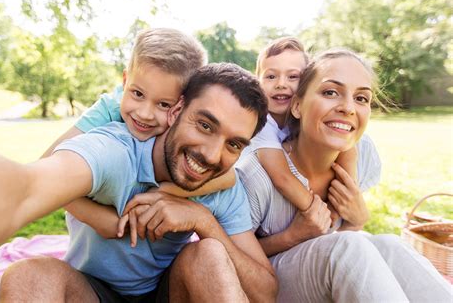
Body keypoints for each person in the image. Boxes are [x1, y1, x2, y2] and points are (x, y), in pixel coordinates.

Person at [0, 63, 278, 302]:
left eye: (234, 144)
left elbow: (265, 292)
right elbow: (29, 186)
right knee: (27, 276)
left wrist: (204, 222)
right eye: (204, 125)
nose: (213, 156)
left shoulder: (223, 187)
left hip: (166, 291)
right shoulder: (117, 151)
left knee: (210, 254)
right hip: (91, 290)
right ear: (175, 111)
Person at [236, 48, 452, 302]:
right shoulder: (258, 172)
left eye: (361, 98)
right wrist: (293, 236)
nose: (348, 108)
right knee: (350, 246)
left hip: (328, 269)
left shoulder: (362, 154)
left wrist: (356, 220)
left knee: (390, 245)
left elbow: (345, 233)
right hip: (269, 282)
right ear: (297, 106)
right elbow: (232, 256)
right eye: (330, 92)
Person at [39, 27, 235, 244]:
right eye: (137, 93)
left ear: (183, 105)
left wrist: (164, 193)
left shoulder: (184, 125)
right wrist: (95, 217)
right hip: (92, 241)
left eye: (163, 104)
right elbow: (44, 171)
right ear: (125, 81)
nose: (144, 114)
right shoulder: (110, 108)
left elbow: (228, 177)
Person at [250, 37, 357, 227]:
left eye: (293, 77)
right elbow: (282, 177)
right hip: (256, 202)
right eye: (270, 76)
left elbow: (347, 147)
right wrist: (318, 213)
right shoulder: (261, 122)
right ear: (257, 82)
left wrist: (346, 198)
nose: (281, 84)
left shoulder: (307, 115)